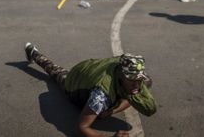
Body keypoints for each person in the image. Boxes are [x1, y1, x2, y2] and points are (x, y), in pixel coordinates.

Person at [24, 43, 156, 137]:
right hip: (74, 81)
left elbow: (133, 90)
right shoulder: (101, 95)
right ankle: (32, 51)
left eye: (138, 79)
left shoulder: (133, 73)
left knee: (134, 88)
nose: (136, 84)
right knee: (54, 70)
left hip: (90, 70)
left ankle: (32, 51)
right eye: (131, 80)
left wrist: (111, 111)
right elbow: (81, 128)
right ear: (121, 75)